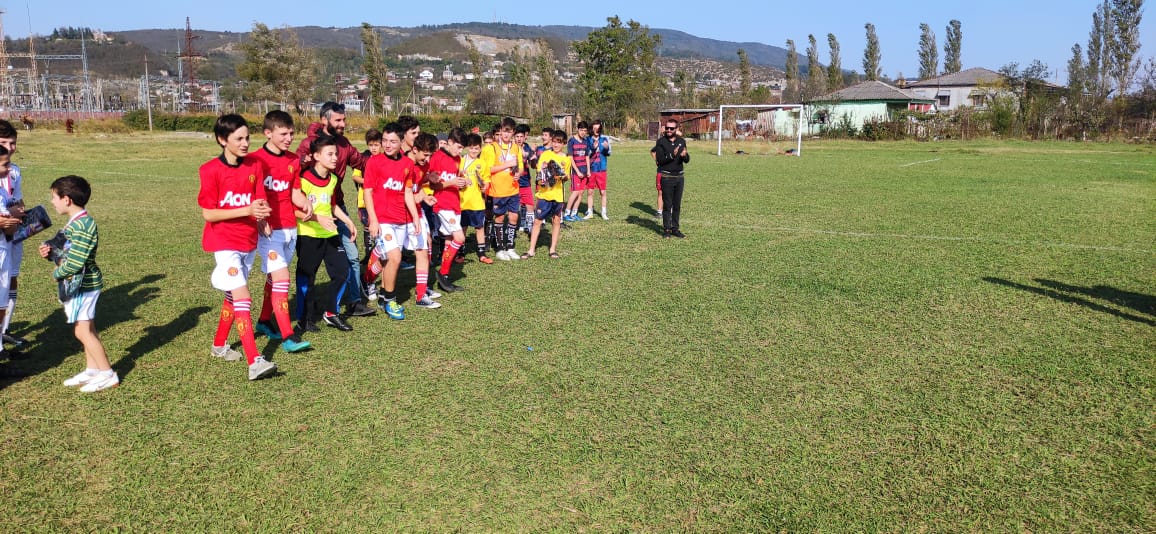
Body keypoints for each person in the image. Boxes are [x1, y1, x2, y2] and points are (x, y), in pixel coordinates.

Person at [197, 114, 277, 380]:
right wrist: (247, 210)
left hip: (248, 240)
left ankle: (219, 345)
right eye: (238, 139)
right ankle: (255, 361)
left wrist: (262, 218)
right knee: (243, 295)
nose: (245, 143)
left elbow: (259, 200)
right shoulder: (210, 170)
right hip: (224, 243)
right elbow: (209, 213)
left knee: (233, 296)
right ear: (222, 140)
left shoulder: (255, 165)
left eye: (247, 138)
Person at [295, 102, 375, 317]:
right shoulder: (309, 144)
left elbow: (362, 162)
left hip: (336, 206)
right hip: (311, 211)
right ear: (324, 120)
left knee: (352, 255)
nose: (343, 124)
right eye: (338, 120)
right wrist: (302, 162)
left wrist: (386, 163)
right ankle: (308, 307)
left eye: (344, 119)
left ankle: (355, 301)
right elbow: (294, 171)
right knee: (310, 265)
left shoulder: (344, 143)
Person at [39, 175, 117, 392]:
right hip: (82, 284)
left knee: (82, 332)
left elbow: (76, 261)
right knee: (87, 327)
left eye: (54, 197)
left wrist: (58, 273)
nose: (52, 202)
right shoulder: (77, 221)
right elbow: (67, 251)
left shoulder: (82, 225)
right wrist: (50, 253)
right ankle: (93, 370)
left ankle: (107, 374)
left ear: (67, 199)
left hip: (84, 285)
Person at [246, 110, 311, 352]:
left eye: (291, 133)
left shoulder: (293, 160)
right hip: (268, 231)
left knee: (274, 279)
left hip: (289, 229)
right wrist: (259, 219)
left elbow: (294, 191)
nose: (289, 138)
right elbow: (249, 195)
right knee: (283, 279)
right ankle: (288, 337)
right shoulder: (254, 161)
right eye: (283, 134)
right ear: (268, 133)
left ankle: (264, 321)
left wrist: (305, 202)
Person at [362, 123, 436, 320]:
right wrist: (373, 220)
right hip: (383, 220)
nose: (387, 145)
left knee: (387, 259)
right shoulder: (374, 162)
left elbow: (407, 192)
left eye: (393, 141)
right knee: (394, 257)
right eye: (385, 141)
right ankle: (390, 300)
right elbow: (367, 192)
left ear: (401, 142)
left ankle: (369, 282)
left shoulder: (407, 164)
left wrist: (415, 217)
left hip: (401, 220)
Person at [294, 135, 358, 332]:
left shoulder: (333, 179)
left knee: (342, 272)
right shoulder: (304, 179)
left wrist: (348, 221)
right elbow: (294, 210)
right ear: (316, 156)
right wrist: (317, 218)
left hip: (330, 234)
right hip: (308, 236)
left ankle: (331, 313)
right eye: (330, 154)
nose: (335, 158)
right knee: (307, 279)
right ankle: (304, 319)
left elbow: (332, 205)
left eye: (336, 154)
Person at [428, 127, 468, 292]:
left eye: (462, 148)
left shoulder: (457, 159)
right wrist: (452, 182)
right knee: (460, 237)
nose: (460, 151)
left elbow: (456, 179)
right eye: (458, 147)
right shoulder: (437, 157)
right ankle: (442, 273)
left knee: (450, 240)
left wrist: (463, 182)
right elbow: (432, 185)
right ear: (450, 142)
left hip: (454, 204)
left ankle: (444, 277)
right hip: (443, 204)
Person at [480, 117, 523, 260]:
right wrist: (507, 164)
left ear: (513, 132)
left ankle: (510, 247)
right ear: (500, 130)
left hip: (513, 189)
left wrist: (518, 173)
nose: (506, 134)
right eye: (504, 131)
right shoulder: (491, 148)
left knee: (514, 217)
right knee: (499, 217)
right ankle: (499, 249)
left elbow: (520, 167)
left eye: (509, 132)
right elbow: (488, 169)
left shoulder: (516, 147)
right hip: (498, 190)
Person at [523, 129, 569, 259]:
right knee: (537, 221)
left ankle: (552, 249)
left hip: (558, 196)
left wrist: (562, 175)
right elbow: (539, 173)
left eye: (559, 142)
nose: (556, 145)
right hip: (544, 195)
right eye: (554, 142)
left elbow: (566, 177)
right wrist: (546, 171)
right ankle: (531, 250)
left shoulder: (566, 159)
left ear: (564, 144)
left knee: (556, 221)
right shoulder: (545, 155)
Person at [0, 120, 26, 350]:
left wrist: (21, 211)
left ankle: (4, 330)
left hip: (13, 234)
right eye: (4, 143)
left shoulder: (14, 171)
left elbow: (18, 200)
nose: (9, 148)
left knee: (11, 279)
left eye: (13, 143)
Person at [350, 129, 383, 300]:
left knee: (377, 231)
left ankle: (373, 255)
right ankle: (369, 255)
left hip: (380, 202)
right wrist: (369, 182)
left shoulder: (385, 159)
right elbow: (355, 177)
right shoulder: (364, 158)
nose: (373, 148)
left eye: (376, 145)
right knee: (369, 227)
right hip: (364, 202)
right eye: (371, 145)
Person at [458, 133, 491, 264]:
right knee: (462, 227)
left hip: (477, 202)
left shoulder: (482, 163)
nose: (473, 151)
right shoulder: (460, 161)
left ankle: (482, 254)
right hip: (462, 202)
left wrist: (484, 186)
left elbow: (487, 181)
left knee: (479, 227)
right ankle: (460, 253)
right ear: (467, 147)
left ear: (480, 148)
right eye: (471, 148)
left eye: (476, 148)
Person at [653, 119, 690, 238]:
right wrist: (672, 155)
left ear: (676, 129)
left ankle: (675, 229)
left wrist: (685, 156)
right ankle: (667, 230)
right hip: (667, 177)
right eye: (667, 128)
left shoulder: (681, 141)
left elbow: (687, 160)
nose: (668, 130)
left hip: (679, 177)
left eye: (671, 128)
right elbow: (660, 161)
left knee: (677, 205)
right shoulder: (661, 142)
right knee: (667, 205)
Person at [562, 121, 591, 222]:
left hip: (584, 171)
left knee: (581, 193)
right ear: (578, 129)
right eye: (582, 130)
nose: (583, 132)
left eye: (585, 131)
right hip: (576, 172)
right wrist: (577, 171)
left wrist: (588, 170)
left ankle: (574, 213)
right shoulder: (572, 141)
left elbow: (587, 156)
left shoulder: (586, 141)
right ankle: (567, 213)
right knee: (575, 192)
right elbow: (570, 158)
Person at [586, 119, 611, 220]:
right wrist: (593, 148)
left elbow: (608, 153)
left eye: (598, 128)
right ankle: (590, 212)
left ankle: (604, 212)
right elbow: (586, 154)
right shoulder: (588, 140)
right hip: (591, 169)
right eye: (594, 128)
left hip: (602, 169)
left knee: (603, 192)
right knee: (590, 191)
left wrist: (606, 148)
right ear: (591, 129)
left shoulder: (604, 138)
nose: (596, 130)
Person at [514, 124, 535, 234]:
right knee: (514, 206)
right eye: (517, 136)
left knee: (529, 204)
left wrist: (532, 157)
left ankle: (530, 226)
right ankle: (519, 223)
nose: (519, 139)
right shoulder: (511, 148)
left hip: (525, 181)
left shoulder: (527, 147)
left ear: (525, 137)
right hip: (513, 182)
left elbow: (533, 165)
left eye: (521, 136)